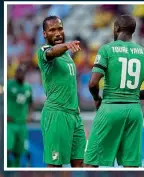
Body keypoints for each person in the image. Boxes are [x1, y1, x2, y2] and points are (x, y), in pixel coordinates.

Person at [84, 14, 144, 167]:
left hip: (111, 107)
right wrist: (130, 94)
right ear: (133, 31)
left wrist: (97, 98)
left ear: (116, 28)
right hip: (134, 112)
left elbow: (92, 83)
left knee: (91, 161)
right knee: (131, 164)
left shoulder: (107, 49)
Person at [37, 16, 86, 167]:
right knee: (55, 166)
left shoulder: (66, 56)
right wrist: (66, 45)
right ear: (45, 34)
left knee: (80, 162)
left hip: (74, 116)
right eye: (52, 30)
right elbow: (52, 52)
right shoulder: (44, 51)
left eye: (60, 29)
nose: (57, 33)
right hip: (56, 114)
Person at [7, 65, 33, 167]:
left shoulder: (28, 87)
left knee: (19, 152)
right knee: (7, 149)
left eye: (23, 73)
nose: (21, 75)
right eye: (19, 73)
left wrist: (30, 115)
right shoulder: (9, 85)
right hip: (10, 123)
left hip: (22, 124)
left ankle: (13, 170)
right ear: (15, 74)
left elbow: (31, 103)